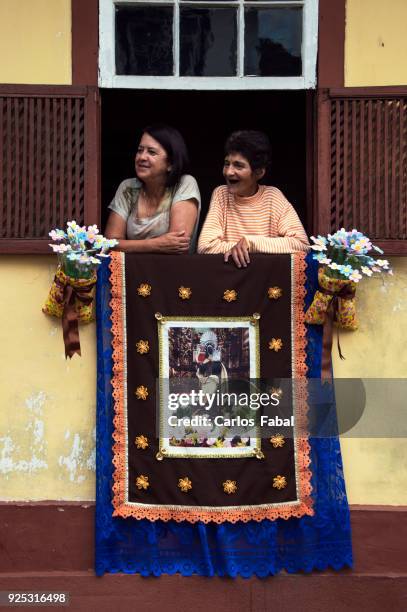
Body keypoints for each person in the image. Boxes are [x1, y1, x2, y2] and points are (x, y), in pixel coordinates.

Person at [197, 130, 309, 267]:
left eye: (238, 165)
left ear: (259, 172)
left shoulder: (273, 197)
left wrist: (250, 243)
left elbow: (302, 245)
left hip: (266, 281)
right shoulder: (221, 194)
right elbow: (205, 247)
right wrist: (240, 249)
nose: (228, 172)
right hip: (229, 283)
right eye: (227, 163)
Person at [105, 124, 200, 253]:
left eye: (151, 152)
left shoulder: (185, 184)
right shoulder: (128, 188)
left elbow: (177, 245)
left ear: (170, 163)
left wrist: (129, 246)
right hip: (133, 270)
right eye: (140, 150)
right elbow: (110, 243)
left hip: (175, 270)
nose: (142, 157)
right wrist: (156, 244)